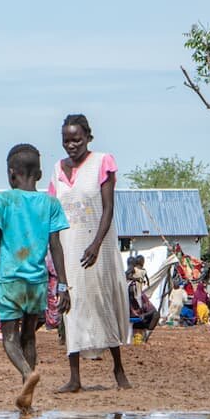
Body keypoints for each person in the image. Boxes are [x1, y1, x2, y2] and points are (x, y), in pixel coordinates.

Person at [0, 143, 70, 414]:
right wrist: (63, 285)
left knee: (9, 338)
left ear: (11, 174)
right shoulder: (50, 203)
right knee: (29, 336)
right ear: (39, 174)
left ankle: (27, 375)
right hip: (37, 282)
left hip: (10, 280)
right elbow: (56, 246)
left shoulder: (4, 201)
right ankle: (26, 392)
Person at [48, 114, 131, 392]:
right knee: (70, 307)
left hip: (97, 247)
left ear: (88, 138)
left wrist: (96, 244)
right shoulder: (57, 169)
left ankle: (118, 368)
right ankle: (74, 377)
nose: (71, 145)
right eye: (66, 140)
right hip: (68, 248)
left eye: (77, 139)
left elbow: (107, 208)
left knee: (101, 301)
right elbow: (53, 211)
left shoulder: (102, 162)